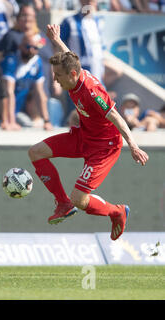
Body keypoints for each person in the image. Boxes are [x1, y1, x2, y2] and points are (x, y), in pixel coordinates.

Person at [28, 24, 149, 241]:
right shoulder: (74, 72)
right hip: (84, 136)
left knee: (79, 199)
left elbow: (116, 116)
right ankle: (62, 203)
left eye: (58, 76)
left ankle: (117, 212)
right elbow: (69, 59)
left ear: (72, 75)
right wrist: (56, 40)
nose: (55, 79)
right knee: (36, 152)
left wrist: (133, 145)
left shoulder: (92, 93)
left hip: (104, 148)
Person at [1, 32, 53, 130]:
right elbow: (9, 92)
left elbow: (40, 93)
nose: (31, 50)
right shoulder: (11, 60)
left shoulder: (37, 62)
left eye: (35, 48)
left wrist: (47, 121)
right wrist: (11, 121)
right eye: (28, 47)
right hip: (4, 113)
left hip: (20, 110)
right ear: (20, 46)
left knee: (34, 124)